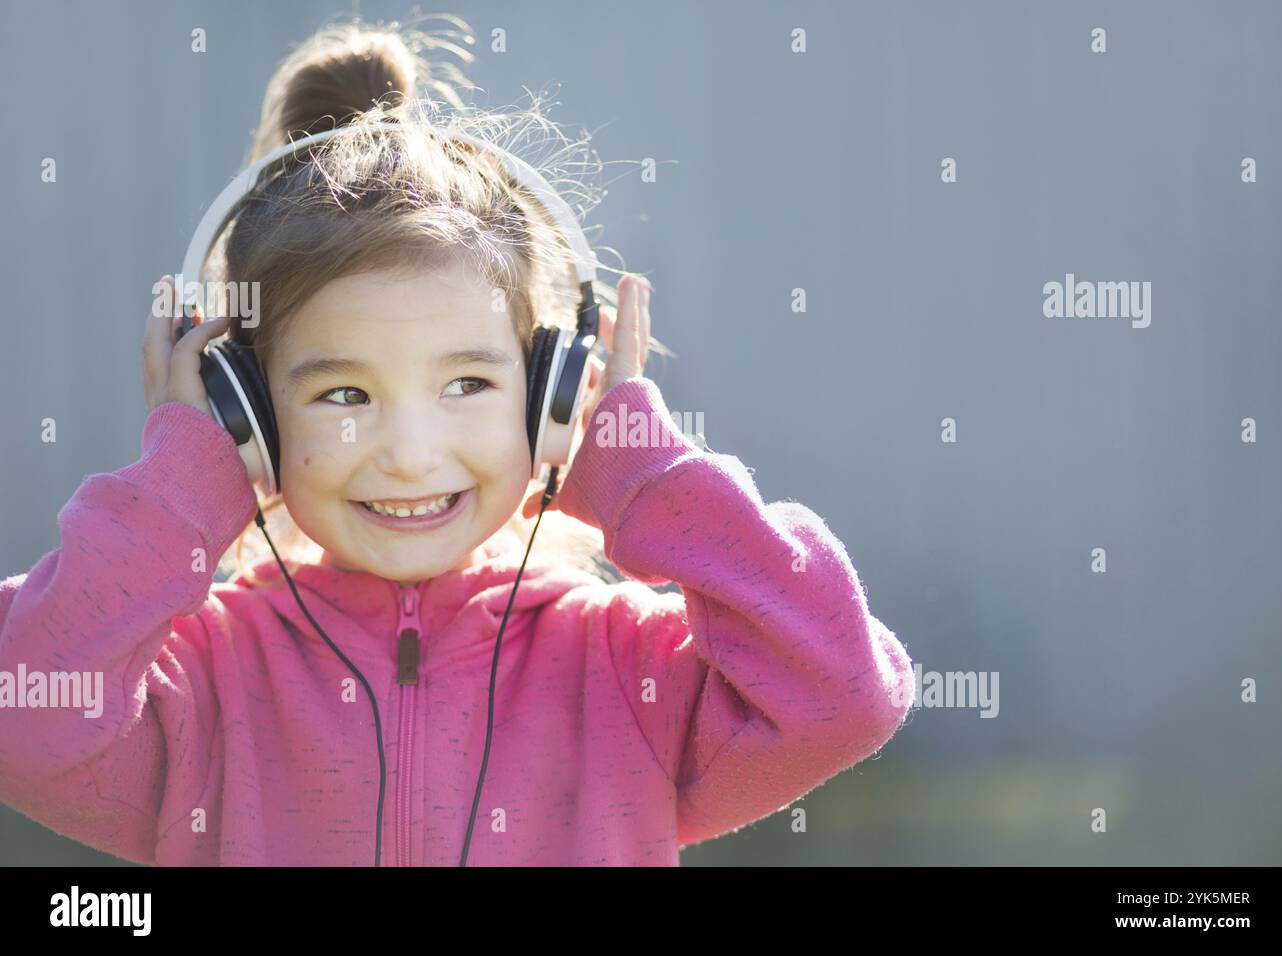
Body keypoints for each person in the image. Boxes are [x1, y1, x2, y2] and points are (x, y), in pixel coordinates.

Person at [0, 21, 915, 866]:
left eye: (468, 385)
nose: (408, 452)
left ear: (554, 399)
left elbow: (841, 695)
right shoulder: (200, 685)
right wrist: (179, 489)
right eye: (345, 393)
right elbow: (24, 717)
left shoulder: (626, 673)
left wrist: (646, 475)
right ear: (250, 415)